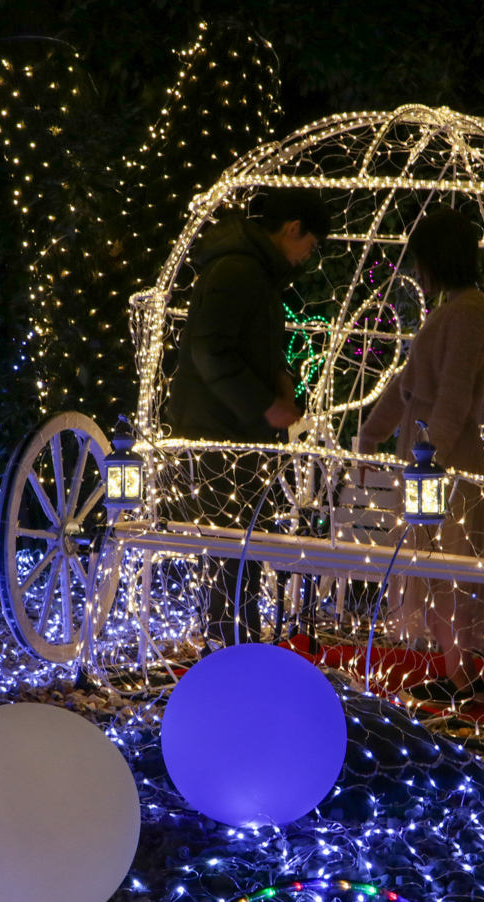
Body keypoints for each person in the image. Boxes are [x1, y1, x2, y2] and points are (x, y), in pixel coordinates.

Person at [163, 187, 330, 648]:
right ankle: (231, 653)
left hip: (232, 432)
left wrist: (278, 376)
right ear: (292, 228)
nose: (305, 257)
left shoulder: (254, 272)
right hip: (218, 433)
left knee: (240, 550)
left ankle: (239, 648)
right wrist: (263, 403)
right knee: (228, 552)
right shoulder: (239, 269)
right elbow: (209, 350)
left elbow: (242, 345)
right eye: (309, 245)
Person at [356, 206, 484, 705]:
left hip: (442, 461)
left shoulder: (469, 310)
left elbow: (454, 396)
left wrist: (426, 457)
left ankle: (462, 679)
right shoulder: (452, 309)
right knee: (435, 566)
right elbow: (407, 385)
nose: (417, 272)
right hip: (428, 458)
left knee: (448, 567)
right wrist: (371, 436)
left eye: (422, 261)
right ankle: (458, 675)